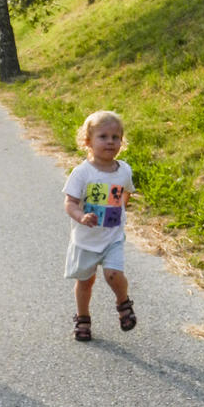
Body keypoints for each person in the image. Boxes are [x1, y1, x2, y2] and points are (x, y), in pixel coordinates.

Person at [62, 111, 138, 341]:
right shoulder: (82, 173)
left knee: (113, 274)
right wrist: (81, 216)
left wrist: (121, 212)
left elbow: (125, 193)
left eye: (116, 137)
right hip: (86, 240)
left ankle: (123, 302)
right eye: (103, 136)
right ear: (88, 141)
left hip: (112, 236)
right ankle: (83, 318)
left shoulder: (124, 170)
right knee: (85, 281)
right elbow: (70, 202)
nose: (110, 141)